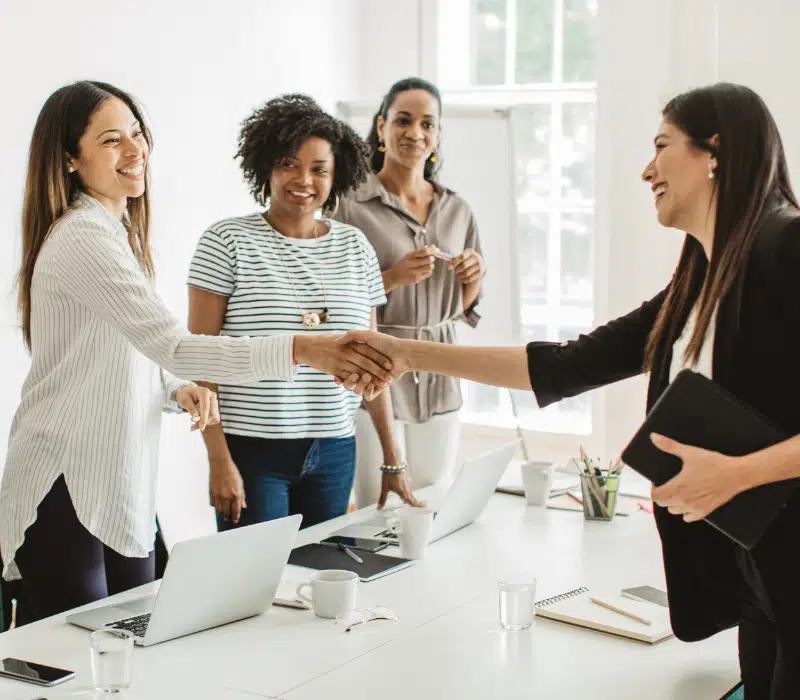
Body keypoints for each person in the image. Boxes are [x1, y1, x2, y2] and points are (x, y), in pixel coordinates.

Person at [345, 83, 800, 698]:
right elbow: (561, 366)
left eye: (662, 146)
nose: (647, 170)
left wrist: (737, 474)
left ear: (714, 151)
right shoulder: (700, 278)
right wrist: (405, 353)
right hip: (760, 572)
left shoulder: (788, 245)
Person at [0, 81, 391, 625]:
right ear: (70, 158)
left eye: (136, 133)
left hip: (116, 477)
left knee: (135, 638)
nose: (136, 150)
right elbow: (177, 345)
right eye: (112, 140)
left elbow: (127, 358)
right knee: (75, 660)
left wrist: (174, 390)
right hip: (67, 475)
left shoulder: (113, 234)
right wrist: (304, 349)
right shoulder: (84, 237)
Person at [187, 95, 419, 532]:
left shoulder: (355, 247)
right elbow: (199, 361)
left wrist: (393, 459)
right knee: (255, 584)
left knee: (323, 579)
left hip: (335, 450)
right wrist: (219, 461)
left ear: (337, 175)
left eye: (319, 169)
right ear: (266, 167)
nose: (303, 180)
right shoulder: (226, 241)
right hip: (252, 452)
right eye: (289, 164)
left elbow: (376, 365)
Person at [335, 77, 485, 509]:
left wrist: (472, 277)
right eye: (403, 120)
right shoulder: (349, 205)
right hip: (373, 368)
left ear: (437, 136)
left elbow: (467, 309)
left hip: (440, 371)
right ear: (381, 127)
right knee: (373, 505)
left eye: (427, 124)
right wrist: (394, 277)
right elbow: (336, 298)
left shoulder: (458, 209)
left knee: (433, 500)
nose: (414, 133)